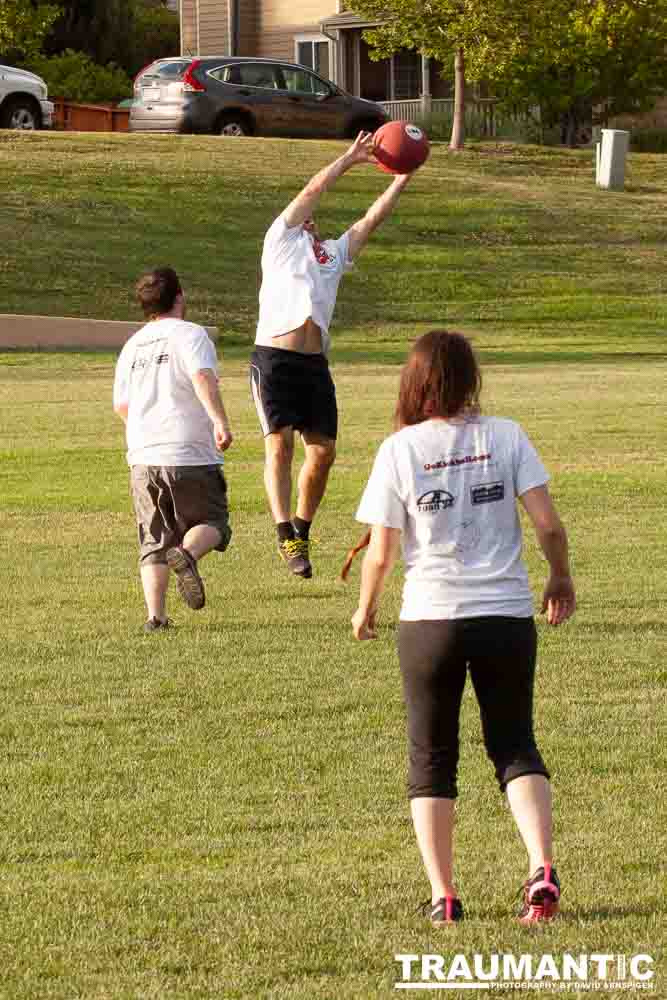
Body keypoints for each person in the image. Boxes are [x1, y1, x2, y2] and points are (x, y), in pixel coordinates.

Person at [350, 330, 575, 925]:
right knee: (514, 743)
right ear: (471, 379)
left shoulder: (400, 449)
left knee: (431, 757)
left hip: (431, 620)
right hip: (504, 615)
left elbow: (380, 551)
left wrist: (366, 607)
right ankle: (541, 866)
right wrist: (559, 578)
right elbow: (549, 525)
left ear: (416, 383)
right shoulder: (506, 435)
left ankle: (444, 896)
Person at [250, 131, 414, 579]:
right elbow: (310, 191)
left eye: (312, 219)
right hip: (274, 360)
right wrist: (348, 159)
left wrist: (401, 179)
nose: (309, 218)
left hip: (313, 364)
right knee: (280, 445)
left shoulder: (330, 256)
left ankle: (301, 529)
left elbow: (368, 223)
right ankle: (284, 531)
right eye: (304, 215)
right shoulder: (278, 242)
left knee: (323, 453)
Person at [113, 267, 233, 632]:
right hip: (188, 450)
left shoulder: (131, 345)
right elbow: (201, 377)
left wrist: (144, 434)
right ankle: (189, 554)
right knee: (214, 521)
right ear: (179, 297)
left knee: (154, 537)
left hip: (143, 455)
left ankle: (156, 617)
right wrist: (219, 421)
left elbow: (121, 405)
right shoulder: (191, 334)